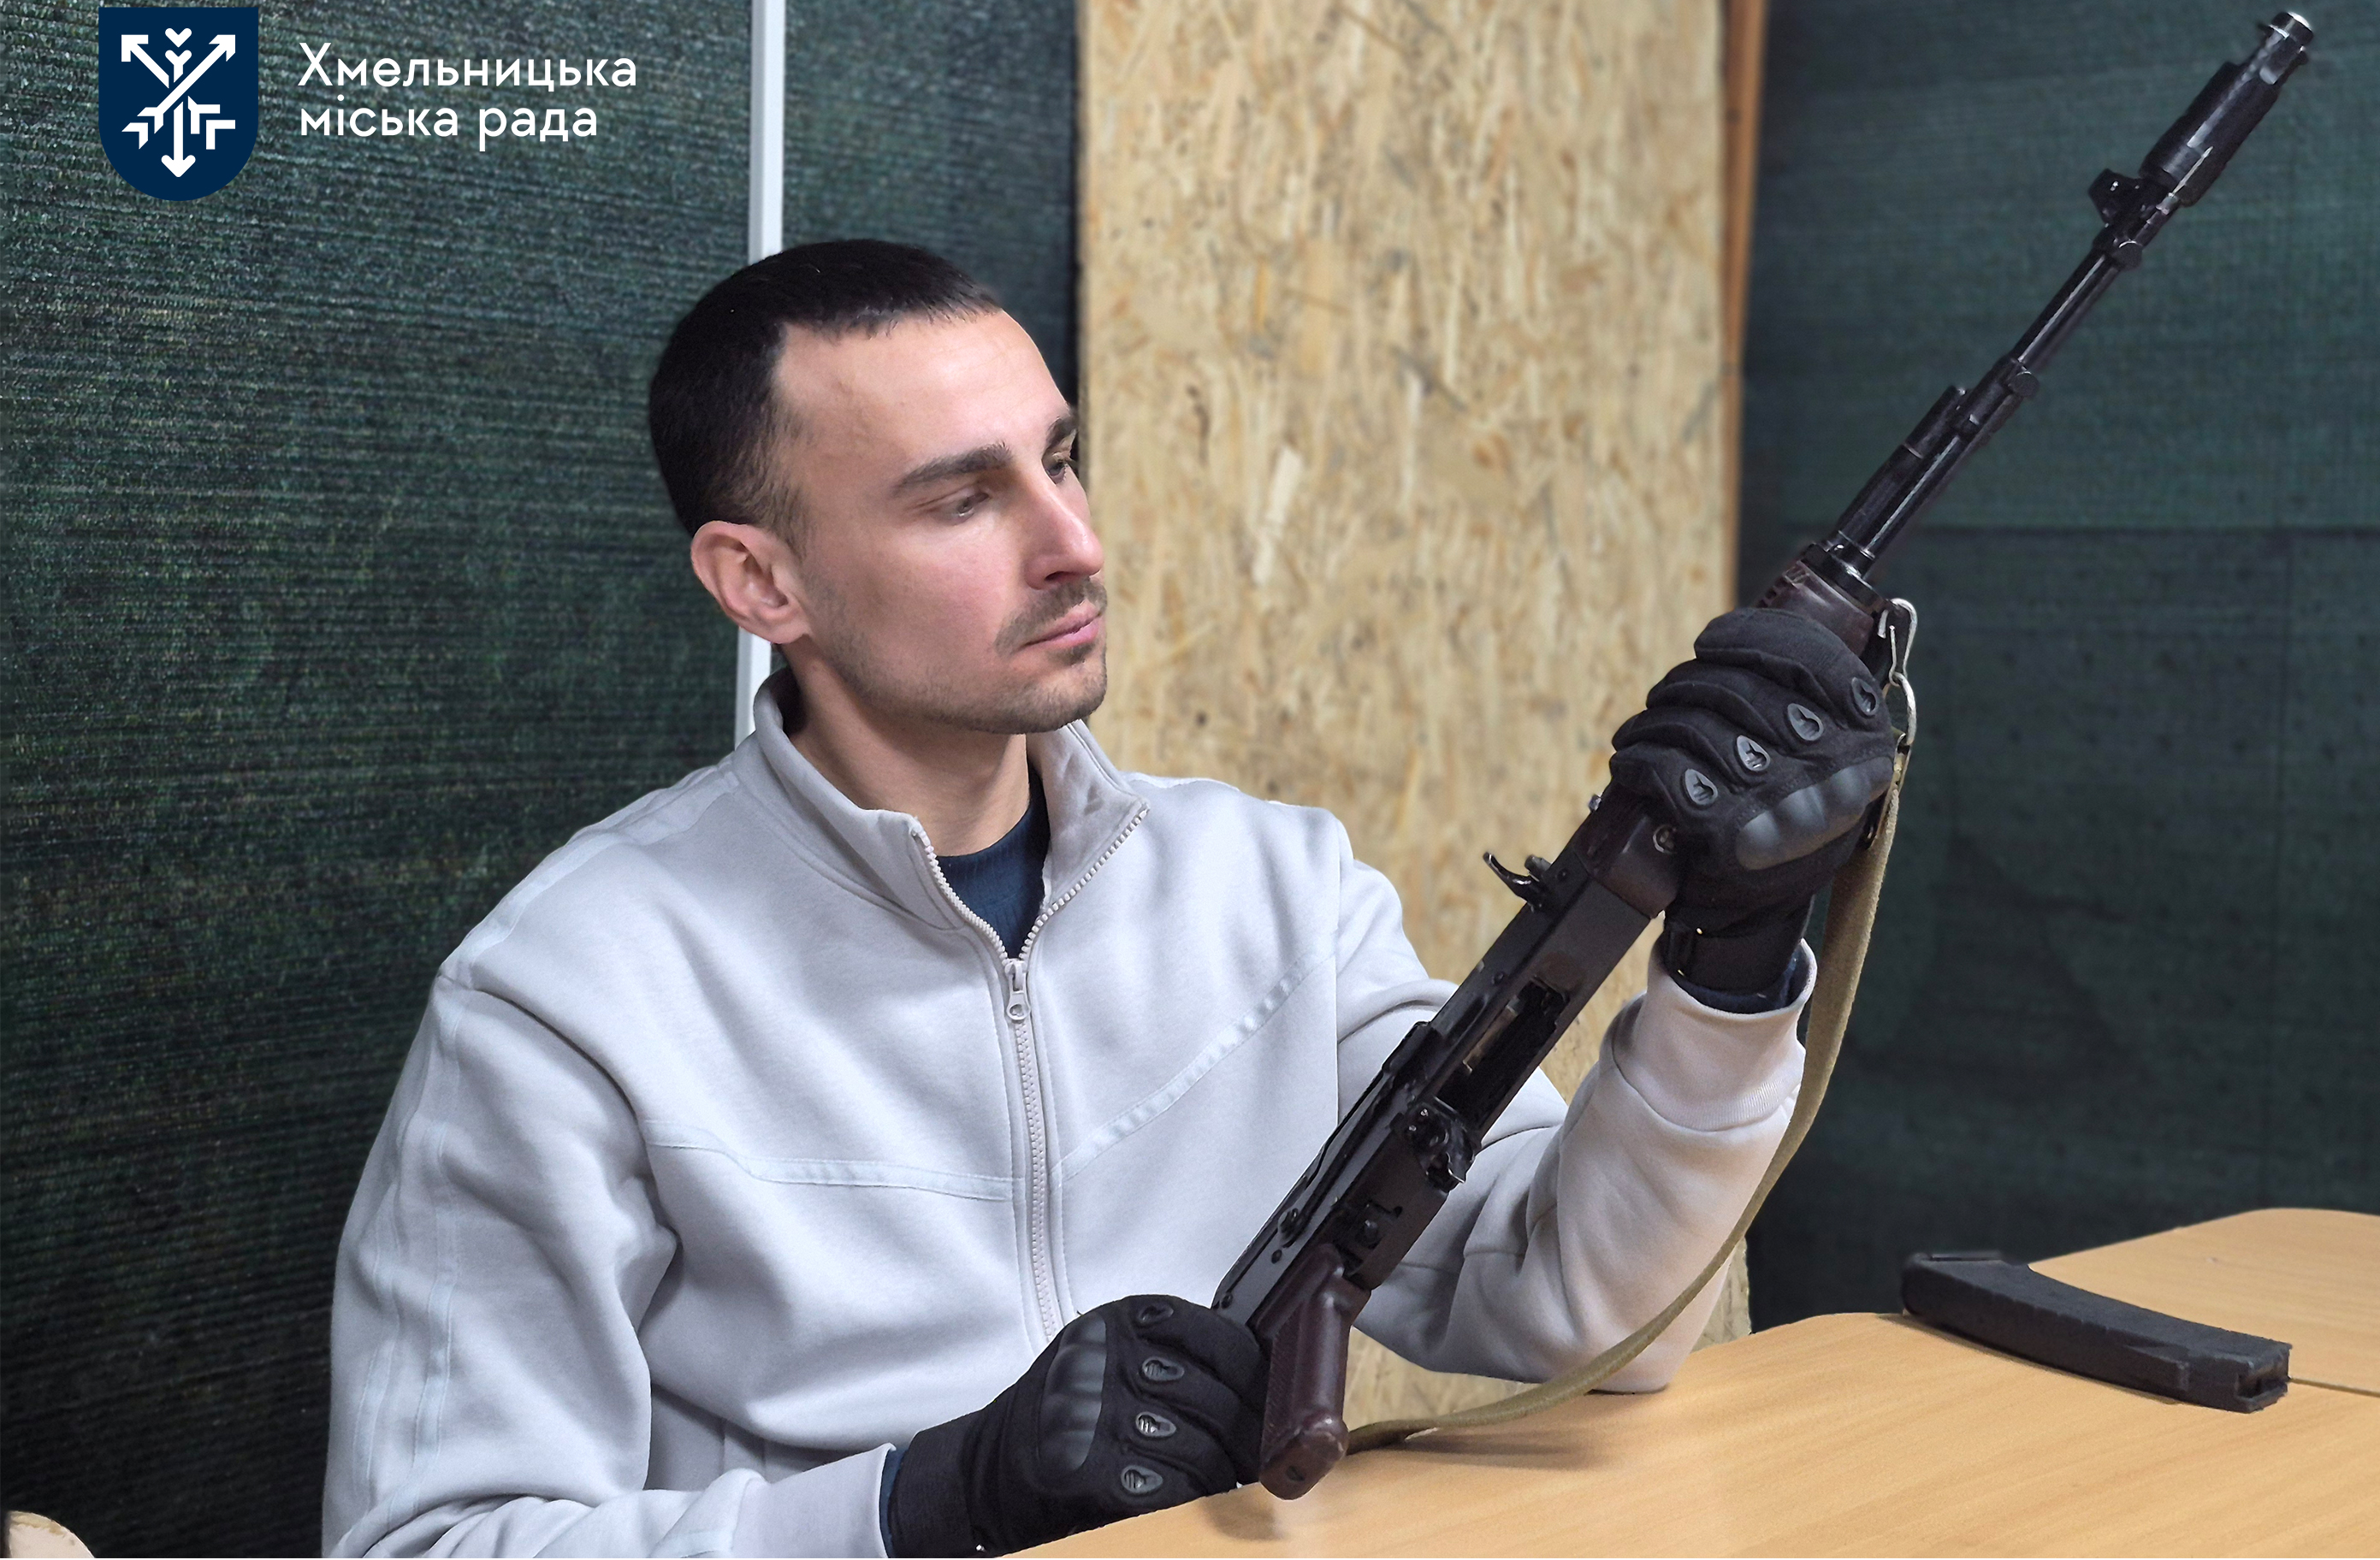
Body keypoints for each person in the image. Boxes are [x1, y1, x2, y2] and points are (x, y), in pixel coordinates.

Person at [323, 240, 1894, 1557]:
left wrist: (1730, 963)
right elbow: (429, 1543)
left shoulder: (1270, 888)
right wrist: (922, 1500)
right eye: (962, 500)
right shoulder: (565, 997)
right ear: (761, 583)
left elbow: (1585, 1314)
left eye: (1059, 459)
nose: (1073, 544)